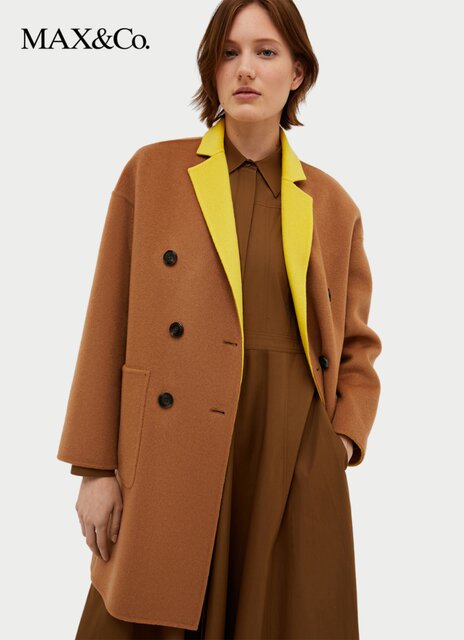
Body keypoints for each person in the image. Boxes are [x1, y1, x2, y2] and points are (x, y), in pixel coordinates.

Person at [57, 0, 382, 638]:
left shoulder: (332, 204)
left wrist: (339, 442)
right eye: (229, 53)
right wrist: (94, 469)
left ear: (298, 73)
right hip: (171, 452)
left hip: (287, 460)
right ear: (211, 69)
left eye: (266, 52)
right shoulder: (153, 172)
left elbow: (356, 346)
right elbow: (106, 323)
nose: (245, 69)